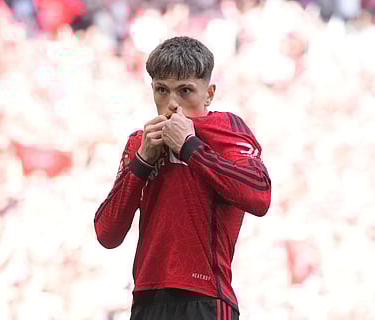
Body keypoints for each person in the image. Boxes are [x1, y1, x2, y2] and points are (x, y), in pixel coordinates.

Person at [94, 36, 271, 320]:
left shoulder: (227, 127)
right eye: (161, 90)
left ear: (209, 93)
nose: (172, 103)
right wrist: (141, 162)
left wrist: (190, 147)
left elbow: (260, 196)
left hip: (206, 298)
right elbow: (107, 234)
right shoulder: (139, 143)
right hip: (147, 299)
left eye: (185, 90)